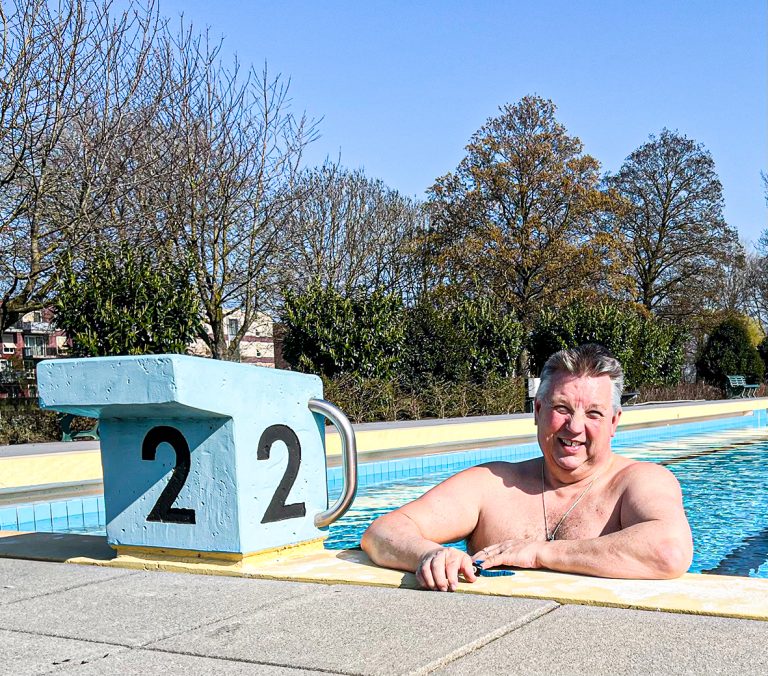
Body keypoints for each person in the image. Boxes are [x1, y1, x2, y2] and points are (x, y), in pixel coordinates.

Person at [361, 344, 693, 591]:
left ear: (614, 422)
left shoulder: (638, 481)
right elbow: (382, 532)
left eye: (593, 413)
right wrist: (430, 555)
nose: (575, 427)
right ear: (537, 411)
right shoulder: (491, 484)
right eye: (561, 408)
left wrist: (539, 553)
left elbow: (668, 550)